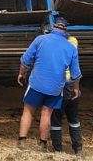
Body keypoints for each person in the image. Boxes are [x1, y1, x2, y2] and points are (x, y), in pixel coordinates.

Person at [16, 16, 81, 148]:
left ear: (53, 27)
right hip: (55, 88)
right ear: (65, 31)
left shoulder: (40, 40)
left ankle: (22, 141)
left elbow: (25, 60)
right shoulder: (71, 47)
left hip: (36, 84)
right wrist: (76, 88)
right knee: (47, 113)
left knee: (28, 111)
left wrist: (21, 74)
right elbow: (76, 74)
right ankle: (43, 144)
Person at [51, 29, 83, 155]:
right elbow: (76, 69)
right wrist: (77, 87)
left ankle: (58, 149)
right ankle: (77, 148)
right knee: (73, 117)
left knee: (56, 118)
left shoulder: (54, 44)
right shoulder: (73, 41)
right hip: (71, 84)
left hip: (58, 85)